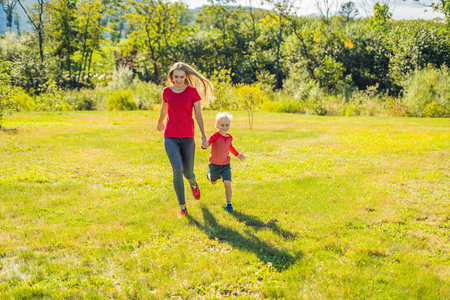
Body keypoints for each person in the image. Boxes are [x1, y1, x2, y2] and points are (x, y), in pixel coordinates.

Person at [157, 62, 212, 218]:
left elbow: (198, 115)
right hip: (170, 136)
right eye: (176, 77)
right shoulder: (166, 91)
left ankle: (193, 184)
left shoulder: (192, 92)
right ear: (172, 77)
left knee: (188, 172)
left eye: (182, 77)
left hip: (188, 137)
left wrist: (203, 135)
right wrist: (160, 121)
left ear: (186, 77)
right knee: (177, 170)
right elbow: (164, 108)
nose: (179, 80)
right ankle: (183, 207)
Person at [202, 112, 246, 212]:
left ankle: (229, 203)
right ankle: (209, 174)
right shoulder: (215, 135)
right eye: (222, 125)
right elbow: (208, 142)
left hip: (226, 165)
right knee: (213, 182)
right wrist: (204, 144)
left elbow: (230, 147)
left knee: (227, 183)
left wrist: (238, 154)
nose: (224, 127)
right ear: (217, 125)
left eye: (227, 125)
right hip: (214, 165)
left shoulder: (229, 137)